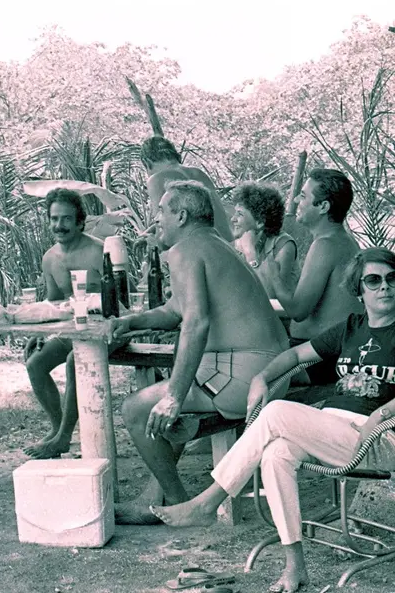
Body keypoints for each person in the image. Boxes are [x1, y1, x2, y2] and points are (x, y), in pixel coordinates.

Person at [152, 247, 395, 593]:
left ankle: (208, 501)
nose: (384, 286)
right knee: (276, 452)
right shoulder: (350, 329)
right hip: (330, 429)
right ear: (360, 290)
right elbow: (295, 355)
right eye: (373, 280)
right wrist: (261, 378)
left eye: (391, 278)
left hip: (379, 436)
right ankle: (295, 566)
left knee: (277, 412)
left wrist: (383, 413)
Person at [107, 180, 291, 524]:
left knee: (136, 409)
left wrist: (174, 396)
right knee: (164, 410)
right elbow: (176, 309)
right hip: (270, 370)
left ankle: (181, 507)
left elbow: (195, 323)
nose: (155, 216)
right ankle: (153, 499)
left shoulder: (187, 250)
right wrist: (131, 322)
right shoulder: (210, 245)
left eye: (161, 210)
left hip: (249, 377)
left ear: (181, 215)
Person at [23, 188, 104, 459]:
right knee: (35, 362)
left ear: (80, 221)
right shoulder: (49, 258)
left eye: (67, 219)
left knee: (74, 360)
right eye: (54, 219)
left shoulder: (98, 251)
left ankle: (64, 437)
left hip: (107, 328)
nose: (60, 225)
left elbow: (123, 298)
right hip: (73, 327)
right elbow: (55, 303)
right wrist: (39, 332)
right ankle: (58, 429)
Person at [270, 169, 363, 386]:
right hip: (323, 352)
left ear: (323, 206)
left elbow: (298, 311)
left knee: (245, 373)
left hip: (321, 360)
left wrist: (273, 275)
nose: (295, 200)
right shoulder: (341, 241)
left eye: (303, 196)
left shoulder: (326, 244)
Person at [141, 136, 233, 242]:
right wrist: (148, 232)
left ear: (146, 162)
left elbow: (162, 231)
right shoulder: (199, 173)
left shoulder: (155, 179)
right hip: (226, 244)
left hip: (197, 249)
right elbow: (197, 220)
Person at [230, 182, 298, 297]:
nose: (233, 219)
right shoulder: (234, 246)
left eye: (240, 214)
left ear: (260, 222)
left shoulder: (283, 246)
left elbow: (269, 297)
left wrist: (250, 253)